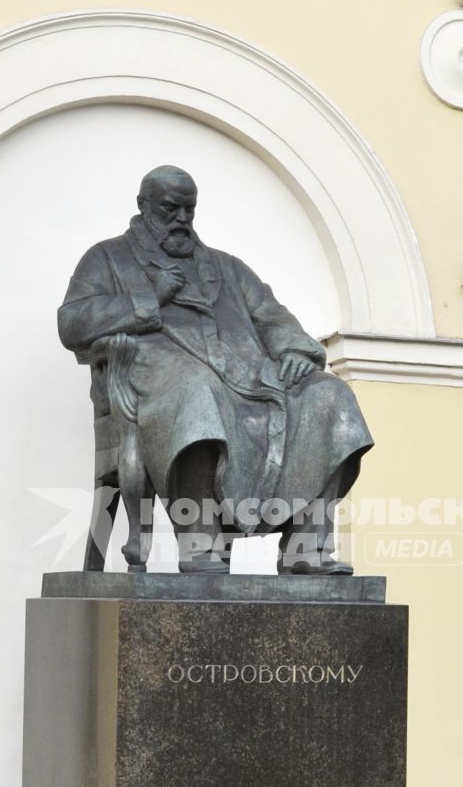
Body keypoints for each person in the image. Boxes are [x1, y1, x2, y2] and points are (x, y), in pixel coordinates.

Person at [58, 165, 373, 573]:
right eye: (171, 208)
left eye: (189, 209)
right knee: (198, 392)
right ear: (143, 205)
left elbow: (270, 315)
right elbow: (73, 324)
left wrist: (294, 348)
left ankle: (305, 549)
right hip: (155, 380)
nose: (182, 219)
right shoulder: (107, 258)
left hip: (248, 378)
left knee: (330, 395)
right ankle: (200, 542)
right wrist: (148, 299)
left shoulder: (227, 267)